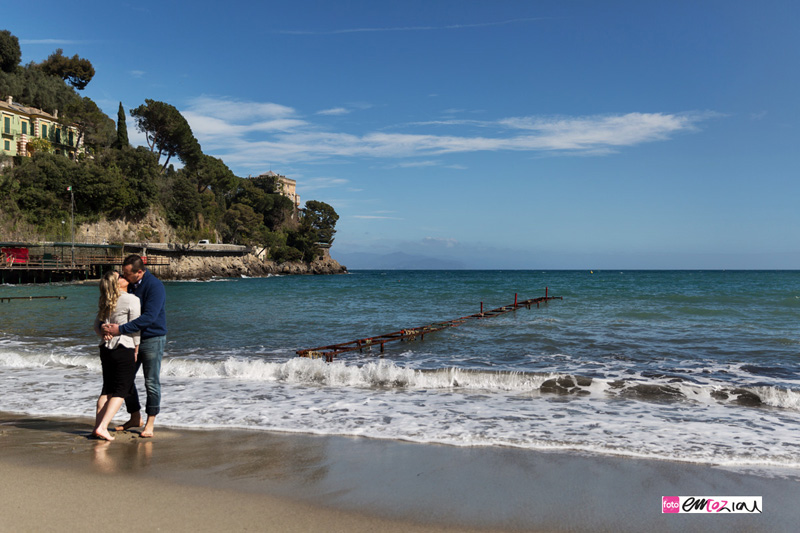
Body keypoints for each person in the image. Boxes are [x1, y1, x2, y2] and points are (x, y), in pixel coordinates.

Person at [102, 254, 167, 438]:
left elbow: (149, 317)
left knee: (151, 382)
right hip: (131, 339)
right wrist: (105, 326)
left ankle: (150, 423)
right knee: (126, 379)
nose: (123, 277)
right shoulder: (128, 284)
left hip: (153, 338)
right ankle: (134, 417)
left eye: (126, 274)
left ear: (139, 272)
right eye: (122, 273)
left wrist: (120, 329)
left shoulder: (155, 287)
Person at [93, 270, 140, 441]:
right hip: (123, 347)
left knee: (107, 390)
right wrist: (136, 348)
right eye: (119, 276)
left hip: (106, 349)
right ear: (117, 283)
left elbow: (96, 326)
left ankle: (97, 427)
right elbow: (135, 327)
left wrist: (103, 333)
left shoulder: (105, 301)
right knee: (121, 389)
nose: (123, 277)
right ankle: (103, 427)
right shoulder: (131, 299)